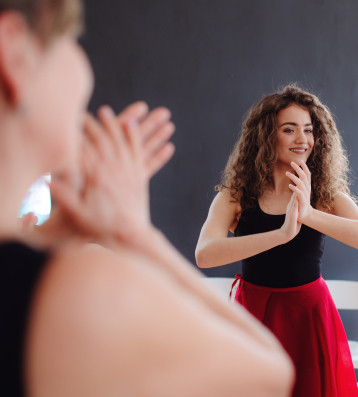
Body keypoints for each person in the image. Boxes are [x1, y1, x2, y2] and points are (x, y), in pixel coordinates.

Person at [0, 1, 293, 396]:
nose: (81, 64)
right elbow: (271, 371)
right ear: (14, 54)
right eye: (67, 39)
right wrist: (134, 234)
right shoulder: (76, 292)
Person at [196, 84, 358, 397]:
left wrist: (309, 215)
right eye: (290, 130)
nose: (303, 140)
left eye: (308, 130)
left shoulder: (326, 195)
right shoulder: (234, 196)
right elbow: (205, 255)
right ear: (266, 136)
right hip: (255, 313)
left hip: (310, 316)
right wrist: (281, 234)